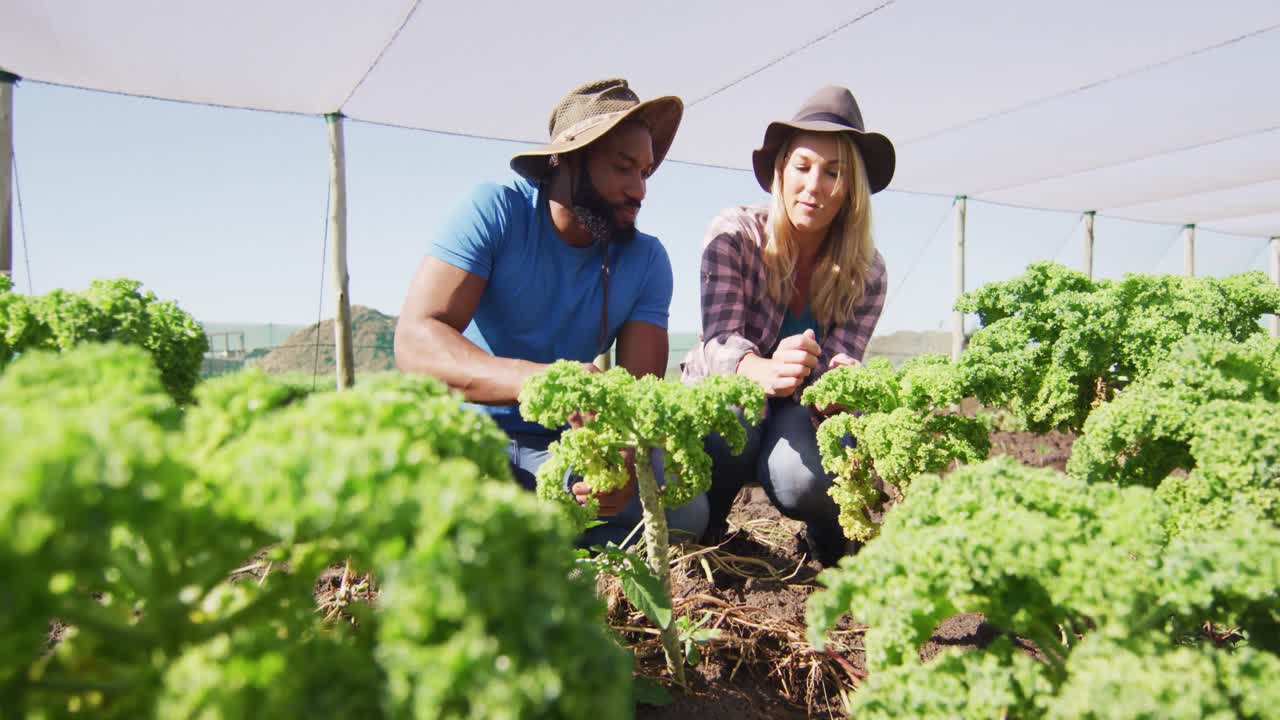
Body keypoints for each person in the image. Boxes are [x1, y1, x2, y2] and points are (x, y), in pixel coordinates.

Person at [395, 78, 707, 546]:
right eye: (624, 168)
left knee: (685, 511)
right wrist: (542, 381)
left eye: (645, 172)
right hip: (467, 435)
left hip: (564, 446)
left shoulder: (645, 261)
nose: (639, 190)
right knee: (436, 514)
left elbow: (640, 394)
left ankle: (560, 535)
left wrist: (619, 457)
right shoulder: (495, 213)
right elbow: (416, 340)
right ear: (568, 160)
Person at [680, 85, 894, 566]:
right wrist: (759, 367)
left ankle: (828, 536)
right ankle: (707, 536)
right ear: (781, 172)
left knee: (805, 477)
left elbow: (842, 363)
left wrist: (837, 382)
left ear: (851, 189)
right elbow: (717, 342)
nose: (814, 185)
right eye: (802, 166)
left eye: (834, 172)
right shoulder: (734, 235)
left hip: (801, 410)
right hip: (730, 394)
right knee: (733, 418)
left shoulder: (868, 272)